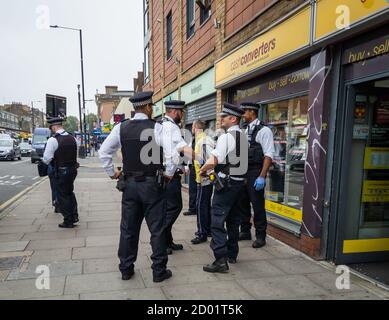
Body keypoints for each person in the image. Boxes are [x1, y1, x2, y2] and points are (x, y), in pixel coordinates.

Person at [98, 91, 177, 283]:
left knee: (128, 229)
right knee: (157, 229)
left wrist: (112, 173)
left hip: (130, 185)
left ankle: (126, 269)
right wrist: (167, 175)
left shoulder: (121, 128)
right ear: (148, 107)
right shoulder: (158, 128)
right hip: (152, 185)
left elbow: (103, 153)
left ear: (135, 108)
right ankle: (158, 271)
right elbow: (173, 156)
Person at [200, 103, 247, 273]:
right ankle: (232, 254)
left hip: (226, 185)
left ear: (233, 119)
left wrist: (202, 170)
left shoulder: (227, 137)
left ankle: (220, 259)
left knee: (217, 221)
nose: (221, 119)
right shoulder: (243, 136)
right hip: (239, 185)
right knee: (233, 220)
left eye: (224, 117)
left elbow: (214, 160)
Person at [239, 102, 274, 248]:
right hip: (243, 171)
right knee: (242, 203)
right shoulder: (245, 130)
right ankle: (245, 231)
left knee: (257, 205)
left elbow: (268, 155)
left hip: (255, 171)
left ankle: (261, 235)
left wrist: (262, 176)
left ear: (251, 112)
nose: (242, 115)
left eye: (244, 112)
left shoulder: (264, 130)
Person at [160, 100, 193, 255]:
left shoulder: (163, 125)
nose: (182, 115)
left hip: (167, 174)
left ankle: (167, 241)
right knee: (174, 208)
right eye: (181, 111)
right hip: (169, 176)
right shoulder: (171, 127)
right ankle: (162, 242)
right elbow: (172, 154)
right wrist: (170, 174)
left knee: (168, 209)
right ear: (174, 111)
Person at [42, 117, 79, 228]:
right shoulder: (72, 138)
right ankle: (74, 216)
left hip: (61, 171)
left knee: (63, 195)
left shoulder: (53, 140)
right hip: (73, 170)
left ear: (53, 127)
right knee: (70, 193)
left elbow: (47, 158)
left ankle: (68, 220)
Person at [191, 120, 214, 245]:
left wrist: (206, 174)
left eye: (192, 127)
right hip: (203, 178)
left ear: (195, 127)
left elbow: (208, 160)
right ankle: (207, 229)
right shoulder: (202, 139)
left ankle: (202, 233)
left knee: (201, 206)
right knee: (204, 205)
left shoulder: (203, 141)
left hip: (204, 179)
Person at [182, 127, 197, 217]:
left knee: (196, 189)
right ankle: (192, 208)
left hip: (198, 167)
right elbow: (188, 154)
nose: (192, 129)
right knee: (192, 189)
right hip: (192, 167)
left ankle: (195, 208)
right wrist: (187, 166)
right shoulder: (193, 139)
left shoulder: (201, 139)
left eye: (193, 127)